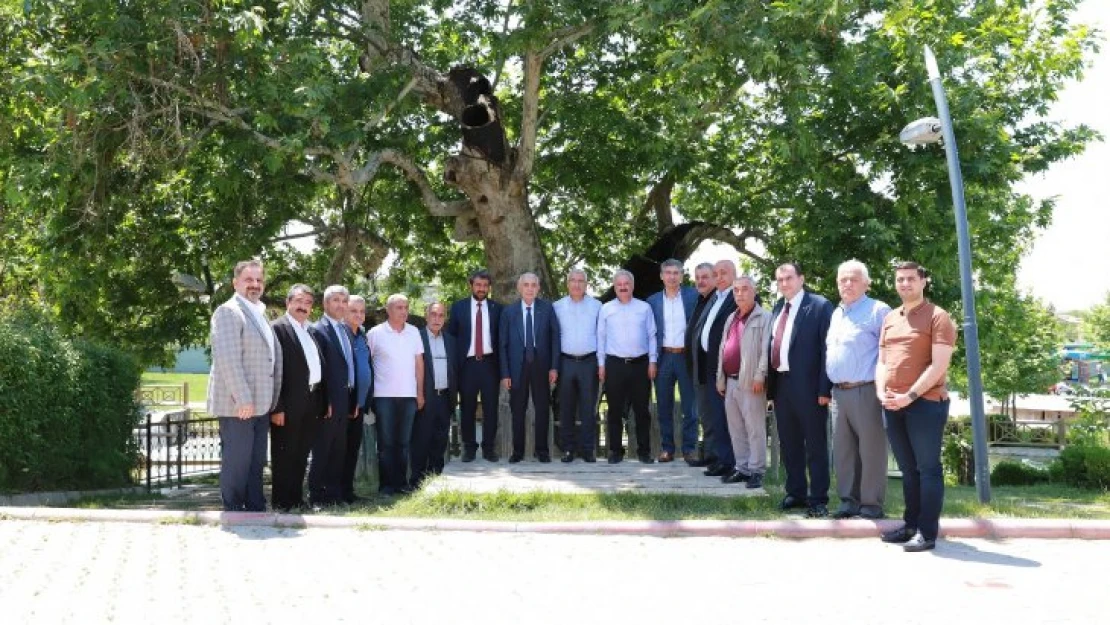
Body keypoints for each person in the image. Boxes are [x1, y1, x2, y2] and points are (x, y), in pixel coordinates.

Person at [877, 262, 957, 552]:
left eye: (911, 279)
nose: (905, 284)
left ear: (924, 281)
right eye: (900, 280)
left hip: (925, 403)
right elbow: (882, 362)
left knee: (928, 469)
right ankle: (910, 525)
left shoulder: (939, 317)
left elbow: (938, 366)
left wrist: (909, 396)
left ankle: (927, 532)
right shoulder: (889, 318)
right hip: (892, 403)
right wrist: (880, 392)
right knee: (908, 470)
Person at [207, 260, 283, 512]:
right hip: (239, 405)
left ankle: (254, 507)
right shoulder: (228, 311)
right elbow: (228, 359)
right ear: (235, 283)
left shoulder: (259, 313)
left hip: (261, 403)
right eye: (249, 280)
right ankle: (233, 509)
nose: (255, 285)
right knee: (237, 460)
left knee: (255, 461)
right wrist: (243, 398)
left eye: (259, 280)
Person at [766, 262, 835, 518]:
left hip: (810, 387)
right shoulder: (777, 308)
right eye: (780, 279)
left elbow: (827, 349)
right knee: (790, 443)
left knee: (815, 444)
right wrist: (771, 392)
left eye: (789, 278)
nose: (784, 283)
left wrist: (824, 388)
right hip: (782, 385)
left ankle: (818, 498)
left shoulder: (819, 306)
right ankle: (796, 491)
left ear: (801, 279)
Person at [826, 260, 891, 520]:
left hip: (867, 389)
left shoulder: (879, 310)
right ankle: (848, 501)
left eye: (853, 279)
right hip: (838, 392)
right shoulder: (836, 313)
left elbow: (890, 352)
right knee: (843, 449)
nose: (847, 284)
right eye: (842, 279)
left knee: (871, 448)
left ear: (866, 282)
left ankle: (871, 504)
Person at [269, 284, 327, 512]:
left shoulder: (311, 331)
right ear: (288, 302)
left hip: (311, 401)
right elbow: (273, 370)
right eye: (299, 301)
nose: (303, 307)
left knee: (301, 454)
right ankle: (281, 502)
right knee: (284, 454)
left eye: (308, 303)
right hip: (287, 404)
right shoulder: (278, 329)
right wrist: (277, 407)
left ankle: (296, 499)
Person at [499, 272, 562, 463]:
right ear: (519, 288)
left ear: (538, 288)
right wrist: (505, 373)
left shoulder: (548, 309)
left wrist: (554, 367)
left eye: (533, 285)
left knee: (543, 408)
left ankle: (542, 451)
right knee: (518, 410)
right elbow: (502, 345)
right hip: (517, 367)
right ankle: (517, 452)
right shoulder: (509, 312)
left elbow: (555, 339)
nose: (529, 288)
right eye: (526, 285)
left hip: (541, 366)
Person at [715, 276, 770, 489]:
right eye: (736, 290)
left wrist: (760, 375)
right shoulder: (731, 318)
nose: (740, 294)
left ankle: (756, 470)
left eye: (744, 289)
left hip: (751, 381)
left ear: (754, 291)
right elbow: (723, 348)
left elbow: (766, 349)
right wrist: (720, 377)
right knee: (736, 428)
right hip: (730, 381)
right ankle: (742, 468)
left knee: (755, 428)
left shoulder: (764, 317)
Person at [597, 269, 657, 464]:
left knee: (642, 411)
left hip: (641, 364)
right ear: (614, 287)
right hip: (614, 364)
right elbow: (600, 338)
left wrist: (653, 361)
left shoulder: (644, 308)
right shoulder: (606, 309)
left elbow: (652, 335)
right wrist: (601, 365)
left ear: (632, 286)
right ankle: (615, 451)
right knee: (614, 410)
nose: (623, 287)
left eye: (626, 284)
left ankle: (644, 451)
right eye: (619, 284)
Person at [367, 294, 425, 495]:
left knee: (403, 443)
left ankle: (401, 484)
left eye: (406, 307)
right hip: (383, 397)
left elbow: (419, 364)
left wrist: (420, 393)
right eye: (399, 307)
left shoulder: (414, 332)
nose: (404, 311)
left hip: (409, 396)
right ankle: (386, 486)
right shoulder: (375, 333)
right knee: (385, 443)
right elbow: (368, 364)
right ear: (389, 310)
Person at [447, 270, 504, 462]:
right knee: (467, 407)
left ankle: (489, 448)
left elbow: (501, 340)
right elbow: (452, 338)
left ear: (489, 287)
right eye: (478, 285)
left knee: (491, 408)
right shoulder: (458, 307)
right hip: (467, 365)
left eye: (485, 286)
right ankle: (469, 448)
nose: (482, 289)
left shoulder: (498, 308)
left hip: (490, 364)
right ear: (471, 285)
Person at [647, 259, 699, 463]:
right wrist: (651, 361)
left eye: (676, 273)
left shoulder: (693, 296)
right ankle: (667, 449)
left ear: (682, 276)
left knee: (690, 407)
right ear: (661, 276)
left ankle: (689, 449)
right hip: (663, 357)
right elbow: (649, 334)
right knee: (664, 407)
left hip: (686, 357)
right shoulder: (652, 301)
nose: (672, 276)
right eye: (668, 272)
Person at [691, 260, 739, 478]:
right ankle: (720, 461)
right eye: (716, 273)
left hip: (725, 369)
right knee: (714, 418)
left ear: (734, 274)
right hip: (707, 368)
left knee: (727, 419)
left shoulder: (737, 296)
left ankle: (731, 463)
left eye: (724, 273)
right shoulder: (715, 299)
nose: (719, 277)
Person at [309, 285, 355, 507]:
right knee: (322, 450)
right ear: (326, 304)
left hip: (345, 400)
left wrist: (353, 398)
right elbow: (320, 370)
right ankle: (316, 496)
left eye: (344, 301)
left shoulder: (346, 330)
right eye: (335, 300)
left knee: (339, 450)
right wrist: (324, 400)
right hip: (327, 402)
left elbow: (349, 367)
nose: (340, 305)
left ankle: (334, 495)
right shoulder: (318, 329)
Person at [552, 269, 603, 462]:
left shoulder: (597, 306)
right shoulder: (557, 307)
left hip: (589, 361)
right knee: (566, 407)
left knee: (588, 408)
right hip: (565, 362)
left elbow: (602, 335)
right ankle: (568, 449)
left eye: (581, 281)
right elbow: (553, 337)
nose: (577, 284)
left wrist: (601, 363)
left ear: (586, 284)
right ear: (567, 284)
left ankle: (588, 449)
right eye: (573, 280)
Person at [413, 302, 457, 481]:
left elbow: (455, 369)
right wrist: (418, 394)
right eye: (433, 314)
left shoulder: (451, 341)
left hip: (445, 396)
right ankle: (417, 478)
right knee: (421, 438)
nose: (437, 319)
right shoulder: (416, 338)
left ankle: (436, 475)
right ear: (426, 316)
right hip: (425, 397)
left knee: (440, 438)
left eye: (441, 315)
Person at [341, 295, 374, 504]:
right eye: (354, 311)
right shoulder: (341, 335)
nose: (359, 315)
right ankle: (334, 491)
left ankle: (347, 491)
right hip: (345, 404)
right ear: (344, 311)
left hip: (360, 404)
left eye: (362, 312)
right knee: (339, 450)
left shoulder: (362, 335)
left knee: (353, 450)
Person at [684, 262, 717, 466]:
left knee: (712, 416)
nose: (701, 281)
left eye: (705, 277)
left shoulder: (717, 300)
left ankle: (714, 457)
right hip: (698, 369)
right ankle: (709, 455)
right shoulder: (700, 300)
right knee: (705, 416)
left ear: (714, 278)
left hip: (710, 369)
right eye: (697, 278)